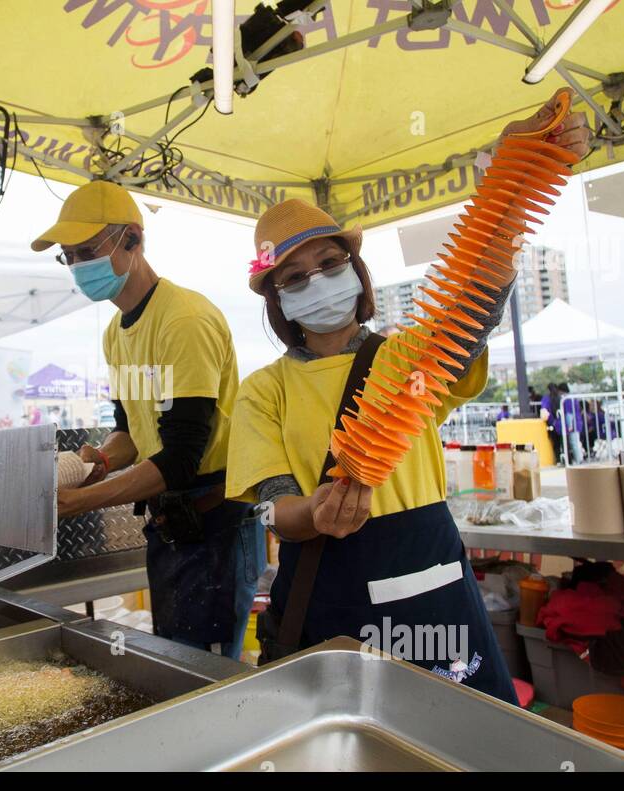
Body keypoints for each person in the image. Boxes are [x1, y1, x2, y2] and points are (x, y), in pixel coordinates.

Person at [225, 89, 590, 702]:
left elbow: (475, 300)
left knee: (462, 741)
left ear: (357, 269)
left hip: (435, 590)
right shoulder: (263, 391)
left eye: (329, 262)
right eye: (293, 277)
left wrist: (514, 172)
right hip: (327, 598)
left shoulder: (407, 357)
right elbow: (275, 505)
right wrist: (313, 513)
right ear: (277, 301)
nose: (315, 282)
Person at [31, 179, 262, 659]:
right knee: (175, 660)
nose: (78, 266)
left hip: (215, 524)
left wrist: (79, 501)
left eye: (88, 251)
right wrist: (97, 459)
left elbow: (179, 458)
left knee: (207, 672)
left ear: (133, 240)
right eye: (69, 257)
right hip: (170, 526)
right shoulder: (116, 332)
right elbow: (131, 434)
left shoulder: (184, 321)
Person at [541, 382, 563, 463]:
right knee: (563, 443)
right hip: (561, 424)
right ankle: (567, 459)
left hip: (552, 424)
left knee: (556, 444)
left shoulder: (546, 398)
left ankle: (558, 460)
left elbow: (544, 411)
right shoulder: (561, 398)